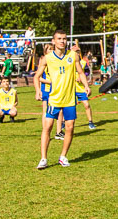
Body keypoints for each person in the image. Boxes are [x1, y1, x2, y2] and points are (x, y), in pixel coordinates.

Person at [37, 31, 90, 170]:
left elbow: (80, 72)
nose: (62, 41)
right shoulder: (47, 58)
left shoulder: (73, 56)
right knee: (47, 127)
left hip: (69, 99)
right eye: (59, 39)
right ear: (53, 41)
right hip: (54, 98)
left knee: (69, 127)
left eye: (64, 39)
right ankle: (43, 158)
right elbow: (37, 76)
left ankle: (63, 156)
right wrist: (38, 91)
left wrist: (86, 85)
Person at [74, 53, 97, 131]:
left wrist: (83, 77)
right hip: (71, 87)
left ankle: (90, 122)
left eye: (78, 51)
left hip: (81, 87)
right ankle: (64, 122)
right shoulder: (68, 61)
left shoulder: (83, 62)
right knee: (69, 106)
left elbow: (86, 71)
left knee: (86, 104)